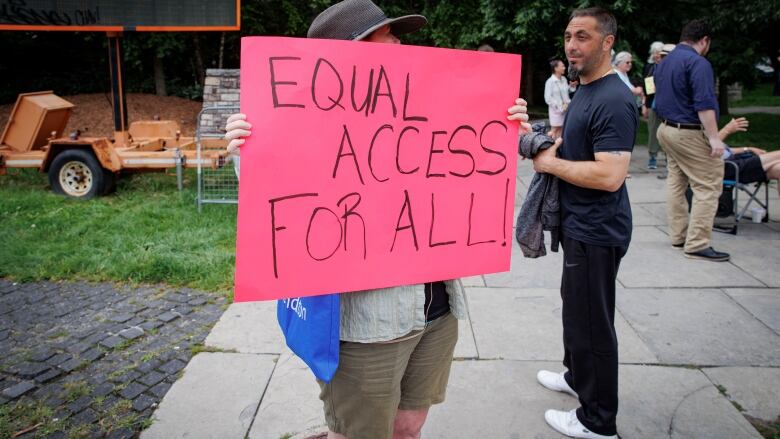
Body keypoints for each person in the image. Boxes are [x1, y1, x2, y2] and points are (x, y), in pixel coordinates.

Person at [223, 1, 531, 438]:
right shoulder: (295, 127)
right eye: (387, 38)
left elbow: (463, 171)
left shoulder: (431, 106)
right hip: (368, 326)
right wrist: (248, 152)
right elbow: (282, 202)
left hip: (438, 309)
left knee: (409, 425)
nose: (402, 44)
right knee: (359, 432)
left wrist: (500, 124)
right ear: (349, 56)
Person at [532, 7, 636, 439]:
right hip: (580, 223)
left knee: (592, 321)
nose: (572, 45)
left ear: (607, 41)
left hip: (597, 227)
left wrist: (549, 164)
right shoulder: (586, 88)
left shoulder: (614, 97)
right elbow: (571, 145)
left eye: (583, 37)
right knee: (577, 311)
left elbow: (610, 175)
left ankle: (598, 420)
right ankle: (577, 377)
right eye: (568, 37)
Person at [654, 19, 730, 262]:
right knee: (708, 185)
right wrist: (715, 138)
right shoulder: (698, 63)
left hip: (665, 129)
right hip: (688, 132)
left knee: (677, 181)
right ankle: (697, 243)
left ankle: (679, 235)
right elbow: (705, 104)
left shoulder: (665, 62)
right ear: (704, 40)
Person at [719, 117, 780, 196]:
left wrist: (748, 149)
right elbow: (708, 148)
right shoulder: (699, 127)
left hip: (735, 163)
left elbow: (725, 150)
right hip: (728, 168)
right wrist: (726, 130)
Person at [642, 42, 664, 169]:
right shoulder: (649, 67)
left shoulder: (669, 66)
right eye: (655, 52)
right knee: (653, 130)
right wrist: (644, 104)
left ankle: (668, 157)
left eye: (659, 53)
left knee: (667, 131)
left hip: (667, 103)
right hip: (652, 102)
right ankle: (652, 157)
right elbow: (648, 89)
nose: (657, 55)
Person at [544, 58, 571, 139]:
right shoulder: (550, 81)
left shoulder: (564, 79)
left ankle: (560, 149)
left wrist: (572, 87)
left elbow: (566, 92)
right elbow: (548, 98)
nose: (564, 68)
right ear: (556, 68)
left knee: (563, 130)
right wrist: (559, 105)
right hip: (555, 110)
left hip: (566, 109)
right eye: (562, 66)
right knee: (554, 131)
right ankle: (548, 147)